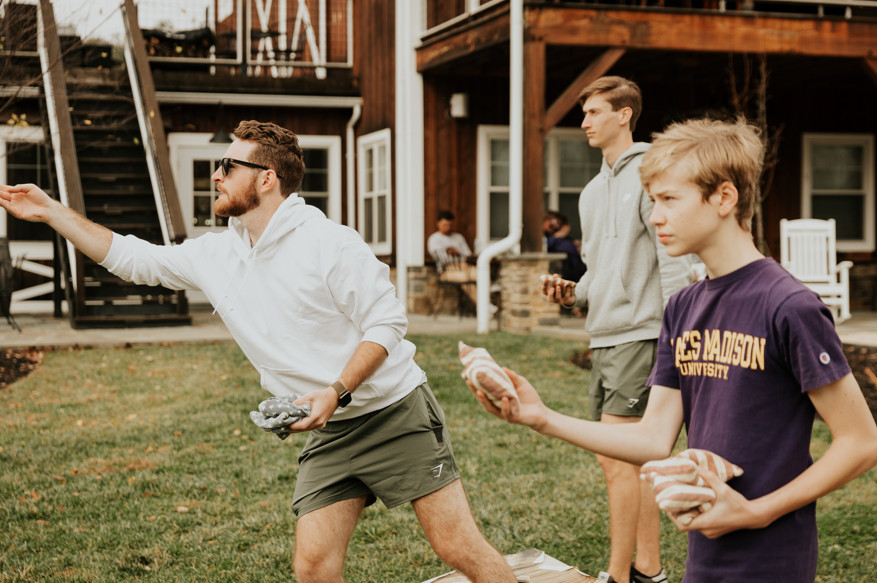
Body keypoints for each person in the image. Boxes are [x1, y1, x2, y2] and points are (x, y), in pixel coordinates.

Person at [0, 121, 516, 583]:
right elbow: (136, 260)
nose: (217, 175)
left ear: (266, 178)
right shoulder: (217, 253)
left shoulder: (330, 243)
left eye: (228, 165)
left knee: (457, 547)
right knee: (313, 567)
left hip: (392, 413)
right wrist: (50, 212)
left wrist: (336, 391)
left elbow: (387, 323)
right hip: (328, 429)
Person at [479, 117, 877, 582]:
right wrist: (542, 417)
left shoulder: (789, 306)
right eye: (653, 201)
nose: (655, 217)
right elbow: (652, 439)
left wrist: (756, 513)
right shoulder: (683, 307)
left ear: (724, 198)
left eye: (670, 199)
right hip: (704, 559)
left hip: (773, 561)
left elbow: (861, 442)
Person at [541, 76, 691, 583]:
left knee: (617, 463)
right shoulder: (589, 193)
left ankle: (619, 575)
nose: (584, 122)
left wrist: (675, 334)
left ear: (625, 115)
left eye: (595, 112)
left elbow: (672, 262)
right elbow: (600, 270)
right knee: (629, 462)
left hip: (641, 333)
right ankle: (648, 569)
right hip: (604, 334)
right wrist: (572, 292)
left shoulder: (651, 175)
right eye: (583, 113)